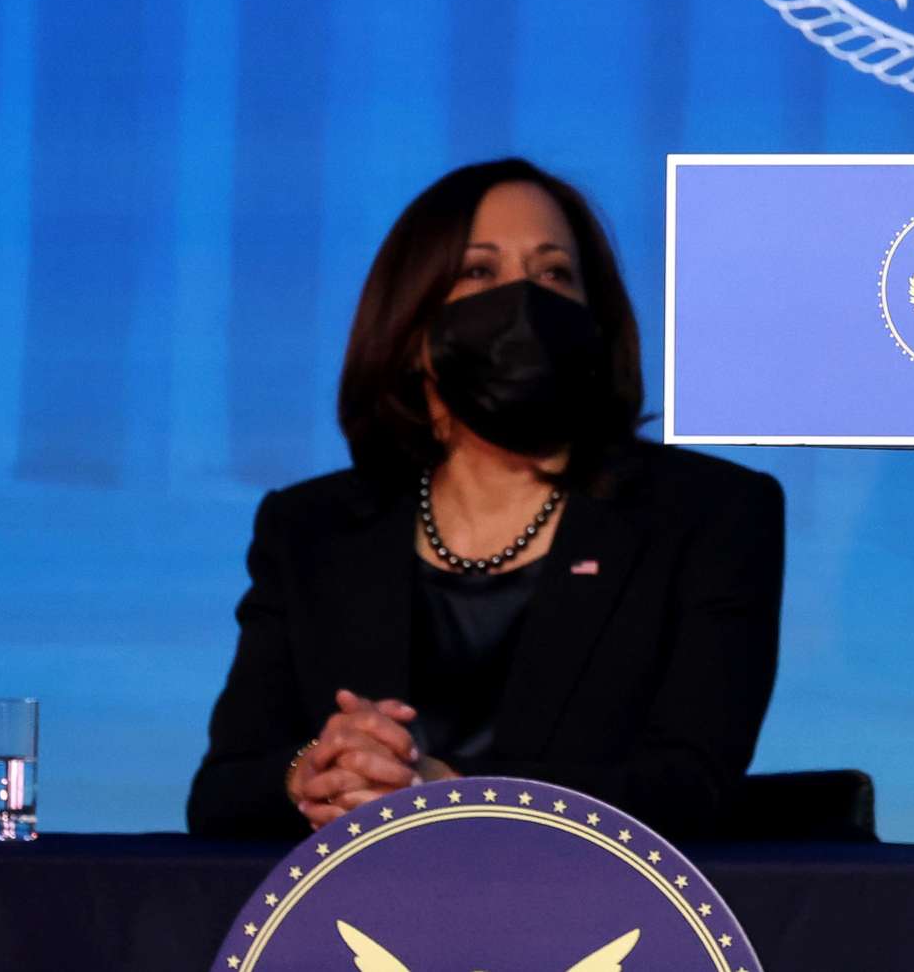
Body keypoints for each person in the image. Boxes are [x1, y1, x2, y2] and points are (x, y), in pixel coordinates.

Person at [186, 158, 784, 842]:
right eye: (479, 273)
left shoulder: (711, 515)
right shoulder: (310, 530)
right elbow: (221, 793)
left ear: (596, 322)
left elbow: (689, 788)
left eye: (555, 274)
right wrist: (313, 773)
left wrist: (451, 791)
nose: (524, 303)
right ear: (411, 330)